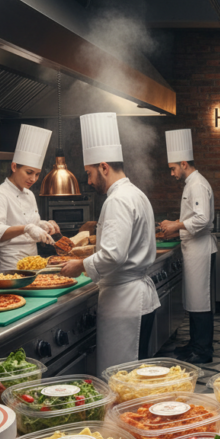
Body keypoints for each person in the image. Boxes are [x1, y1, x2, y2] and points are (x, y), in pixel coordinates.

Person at [60, 113, 158, 372]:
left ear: (104, 167)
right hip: (135, 299)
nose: (89, 181)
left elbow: (113, 255)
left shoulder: (117, 200)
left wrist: (79, 265)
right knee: (134, 380)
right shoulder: (135, 193)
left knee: (122, 379)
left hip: (125, 303)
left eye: (90, 173)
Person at [158, 129, 217, 364]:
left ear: (184, 163)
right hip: (193, 249)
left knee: (200, 300)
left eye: (173, 168)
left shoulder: (197, 184)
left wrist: (176, 226)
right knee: (194, 300)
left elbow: (202, 219)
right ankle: (194, 343)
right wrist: (177, 224)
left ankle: (203, 351)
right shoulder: (191, 183)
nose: (172, 174)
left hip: (200, 249)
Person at [0, 124, 60, 270]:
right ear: (14, 167)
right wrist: (27, 228)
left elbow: (29, 223)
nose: (33, 179)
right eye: (29, 172)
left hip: (33, 263)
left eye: (37, 174)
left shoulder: (29, 194)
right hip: (8, 266)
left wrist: (42, 226)